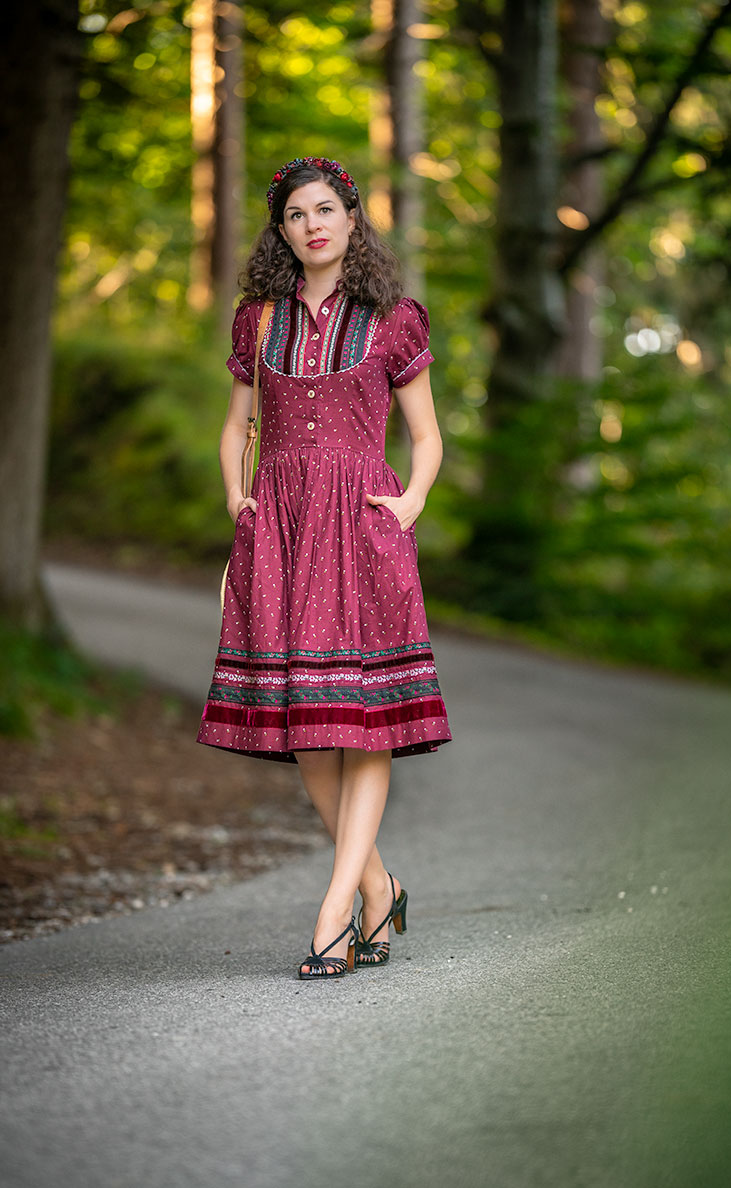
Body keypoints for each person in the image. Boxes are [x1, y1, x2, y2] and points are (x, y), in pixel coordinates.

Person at [196, 155, 452, 980]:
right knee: (310, 727)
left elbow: (428, 436)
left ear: (351, 218)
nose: (312, 225)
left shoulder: (393, 318)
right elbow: (237, 427)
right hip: (280, 529)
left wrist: (410, 503)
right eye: (296, 215)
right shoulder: (257, 320)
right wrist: (239, 499)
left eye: (325, 210)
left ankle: (335, 909)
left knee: (363, 716)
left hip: (365, 526)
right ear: (282, 232)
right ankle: (381, 886)